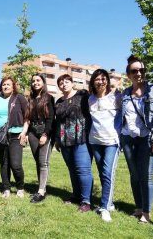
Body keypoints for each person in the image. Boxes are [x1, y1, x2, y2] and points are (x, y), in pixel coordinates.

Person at [121, 55, 153, 224]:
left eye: (142, 70)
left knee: (146, 176)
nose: (139, 73)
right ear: (128, 75)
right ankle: (138, 207)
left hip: (147, 138)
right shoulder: (125, 94)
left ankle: (146, 213)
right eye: (134, 71)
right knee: (134, 175)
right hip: (128, 138)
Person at [55, 74, 93, 212]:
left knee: (83, 170)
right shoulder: (58, 102)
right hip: (65, 140)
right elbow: (58, 122)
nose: (63, 84)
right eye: (60, 83)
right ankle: (77, 196)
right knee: (72, 170)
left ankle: (86, 201)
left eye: (66, 82)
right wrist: (57, 140)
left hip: (82, 138)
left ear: (72, 83)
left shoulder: (83, 95)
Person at [88, 69, 122, 222]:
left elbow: (125, 116)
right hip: (95, 141)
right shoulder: (90, 99)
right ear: (93, 82)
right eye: (97, 79)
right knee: (102, 173)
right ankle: (110, 202)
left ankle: (104, 207)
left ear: (107, 81)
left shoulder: (116, 98)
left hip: (112, 142)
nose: (100, 81)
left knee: (108, 172)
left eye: (103, 79)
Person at [0, 76, 28, 199]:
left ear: (13, 86)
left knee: (16, 165)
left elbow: (27, 116)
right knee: (4, 163)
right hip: (0, 135)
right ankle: (6, 188)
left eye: (8, 84)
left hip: (16, 135)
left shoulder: (19, 98)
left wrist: (24, 132)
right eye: (4, 84)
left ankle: (20, 187)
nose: (5, 86)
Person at [24, 74, 55, 203]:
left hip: (44, 132)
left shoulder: (49, 98)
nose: (35, 83)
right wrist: (25, 133)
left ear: (43, 82)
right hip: (32, 134)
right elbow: (28, 118)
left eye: (38, 80)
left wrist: (45, 134)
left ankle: (41, 192)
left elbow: (51, 118)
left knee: (43, 162)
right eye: (33, 81)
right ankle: (41, 188)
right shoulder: (30, 99)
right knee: (38, 161)